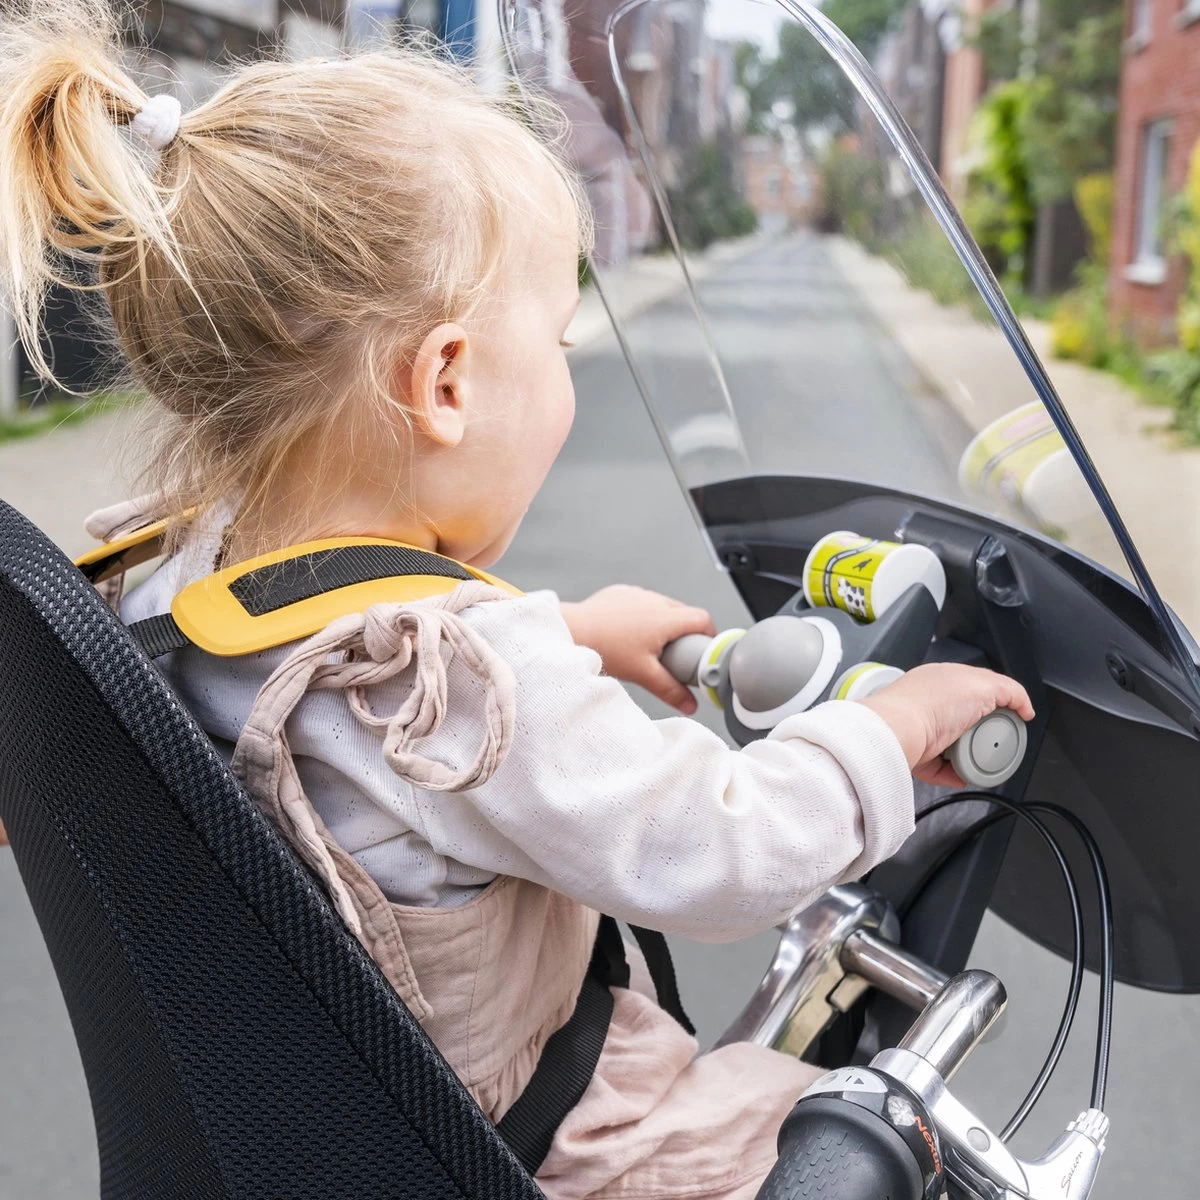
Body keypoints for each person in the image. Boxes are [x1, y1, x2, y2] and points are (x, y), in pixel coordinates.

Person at [0, 4, 1032, 1196]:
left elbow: (346, 661)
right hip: (570, 1146)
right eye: (556, 343)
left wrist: (572, 629)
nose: (565, 380)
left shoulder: (155, 588)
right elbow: (721, 847)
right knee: (904, 1134)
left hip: (326, 1147)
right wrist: (893, 728)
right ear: (445, 382)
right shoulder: (478, 687)